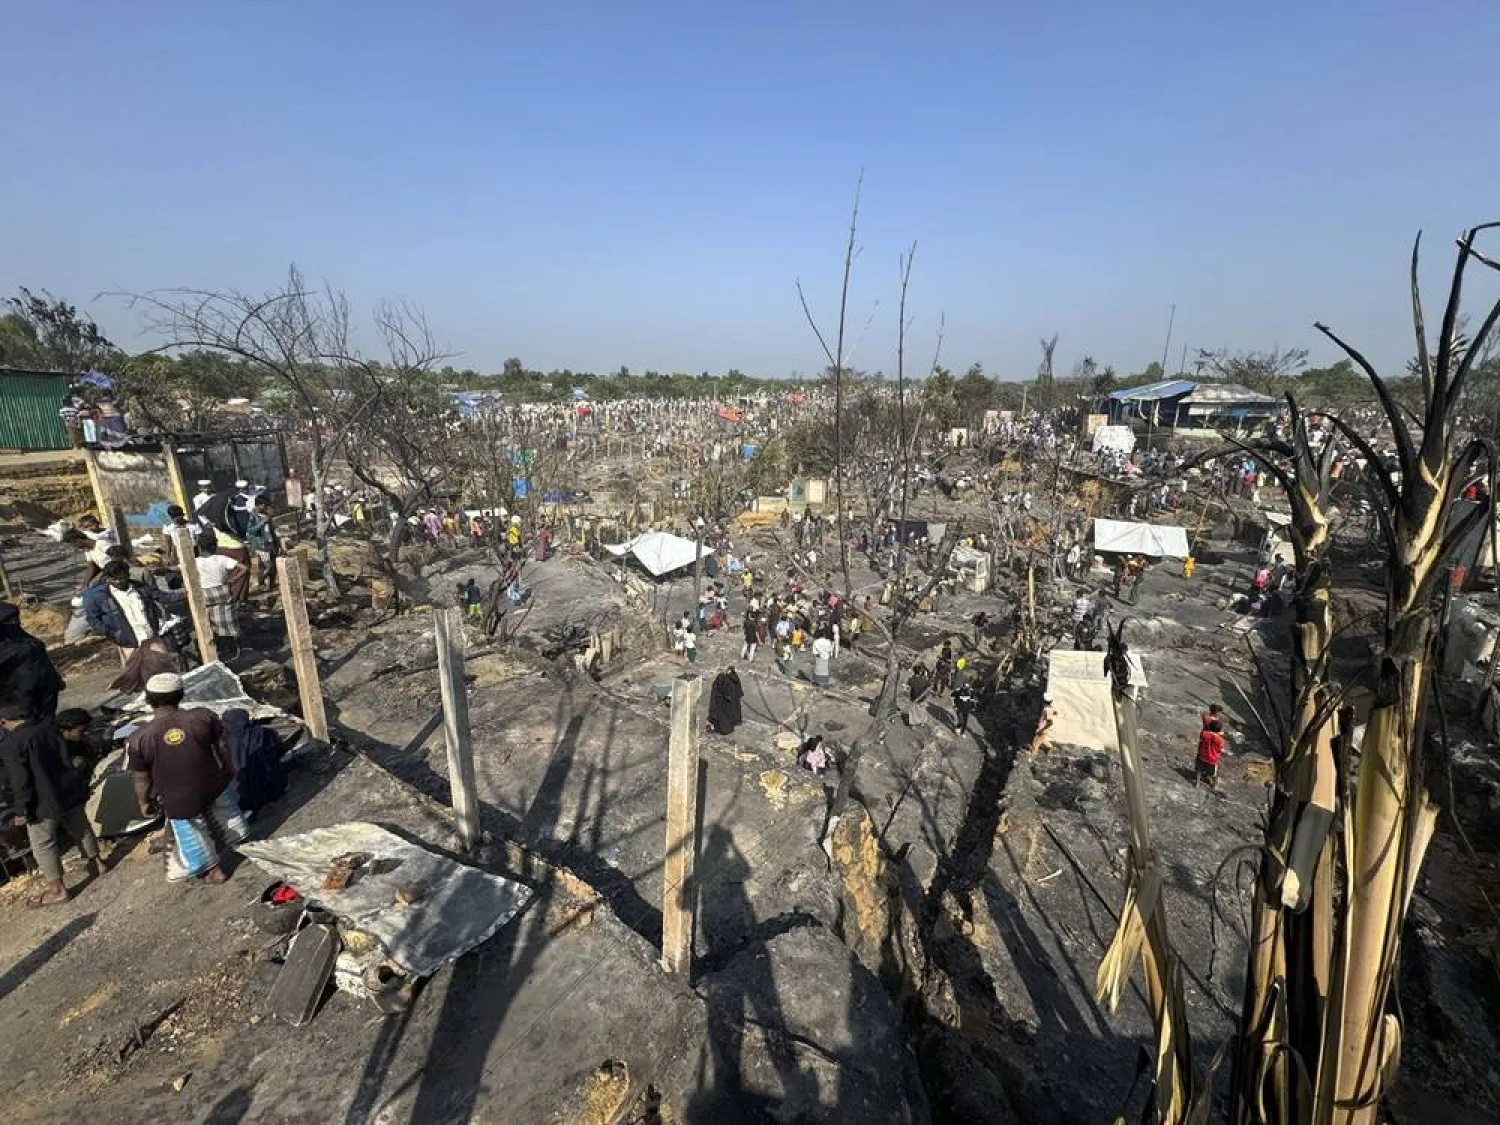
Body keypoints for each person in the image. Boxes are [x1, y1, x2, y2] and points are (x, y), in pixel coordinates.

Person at [126, 672, 247, 885]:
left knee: (190, 829)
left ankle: (213, 871)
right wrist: (229, 767)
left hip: (177, 798)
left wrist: (143, 801)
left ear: (148, 699)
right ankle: (242, 841)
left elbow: (141, 776)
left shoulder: (138, 738)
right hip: (212, 782)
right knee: (224, 809)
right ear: (181, 695)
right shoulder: (202, 717)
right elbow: (222, 745)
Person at [1, 701, 105, 906]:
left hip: (43, 801)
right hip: (68, 790)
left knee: (43, 843)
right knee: (81, 828)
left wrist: (22, 808)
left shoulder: (11, 744)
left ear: (5, 721)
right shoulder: (49, 729)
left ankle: (57, 889)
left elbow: (20, 779)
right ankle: (98, 863)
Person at [83, 560, 164, 659]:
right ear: (107, 579)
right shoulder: (99, 597)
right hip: (129, 645)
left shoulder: (140, 588)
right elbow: (93, 619)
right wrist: (114, 634)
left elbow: (160, 597)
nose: (118, 582)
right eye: (114, 579)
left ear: (128, 575)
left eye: (121, 578)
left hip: (152, 638)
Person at [0, 601, 64, 720]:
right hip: (17, 702)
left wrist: (55, 679)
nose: (15, 622)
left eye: (16, 619)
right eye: (9, 620)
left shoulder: (26, 640)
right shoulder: (10, 646)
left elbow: (42, 661)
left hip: (45, 692)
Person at [221, 707, 286, 816]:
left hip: (241, 798)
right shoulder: (265, 733)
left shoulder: (223, 742)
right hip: (273, 790)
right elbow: (280, 751)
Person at [195, 535, 246, 657]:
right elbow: (244, 568)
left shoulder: (195, 561)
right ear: (215, 547)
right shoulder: (222, 558)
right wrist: (232, 580)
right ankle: (234, 649)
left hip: (205, 595)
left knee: (208, 624)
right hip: (222, 593)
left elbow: (177, 568)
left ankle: (215, 650)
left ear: (200, 548)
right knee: (228, 622)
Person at [54, 708, 102, 779]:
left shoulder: (77, 741)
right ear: (64, 730)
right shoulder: (55, 749)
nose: (86, 733)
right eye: (81, 731)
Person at [244, 496, 279, 591]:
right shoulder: (253, 516)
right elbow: (250, 530)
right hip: (261, 544)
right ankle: (260, 581)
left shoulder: (267, 515)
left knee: (273, 565)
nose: (265, 507)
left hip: (270, 542)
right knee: (268, 566)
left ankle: (271, 585)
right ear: (258, 505)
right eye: (263, 505)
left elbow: (271, 530)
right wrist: (262, 523)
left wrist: (277, 542)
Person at [707, 666, 744, 735]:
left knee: (723, 718)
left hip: (723, 705)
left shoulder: (723, 681)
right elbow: (738, 692)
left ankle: (720, 728)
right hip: (729, 706)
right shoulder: (732, 679)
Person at [1196, 717, 1226, 789]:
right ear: (1219, 730)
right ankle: (1215, 786)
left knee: (1199, 770)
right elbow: (1221, 750)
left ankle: (1197, 784)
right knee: (1215, 774)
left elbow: (1205, 735)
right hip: (1212, 760)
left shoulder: (1204, 734)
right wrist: (1226, 753)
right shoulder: (1220, 740)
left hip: (1202, 757)